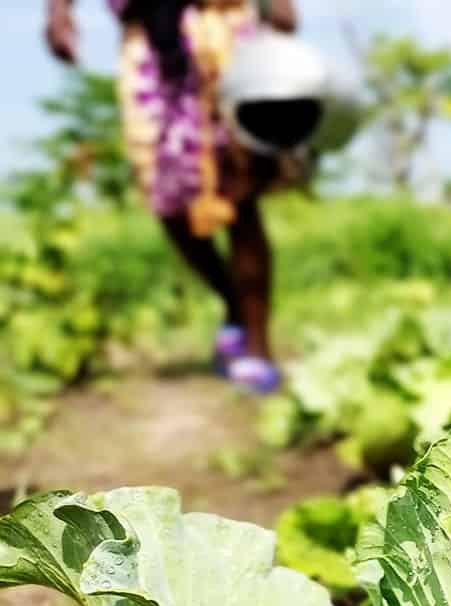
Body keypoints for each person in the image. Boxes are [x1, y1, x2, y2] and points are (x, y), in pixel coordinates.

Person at [44, 0, 300, 393]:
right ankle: (233, 301)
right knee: (167, 200)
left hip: (225, 28)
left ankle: (258, 346)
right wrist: (58, 13)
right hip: (150, 45)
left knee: (242, 194)